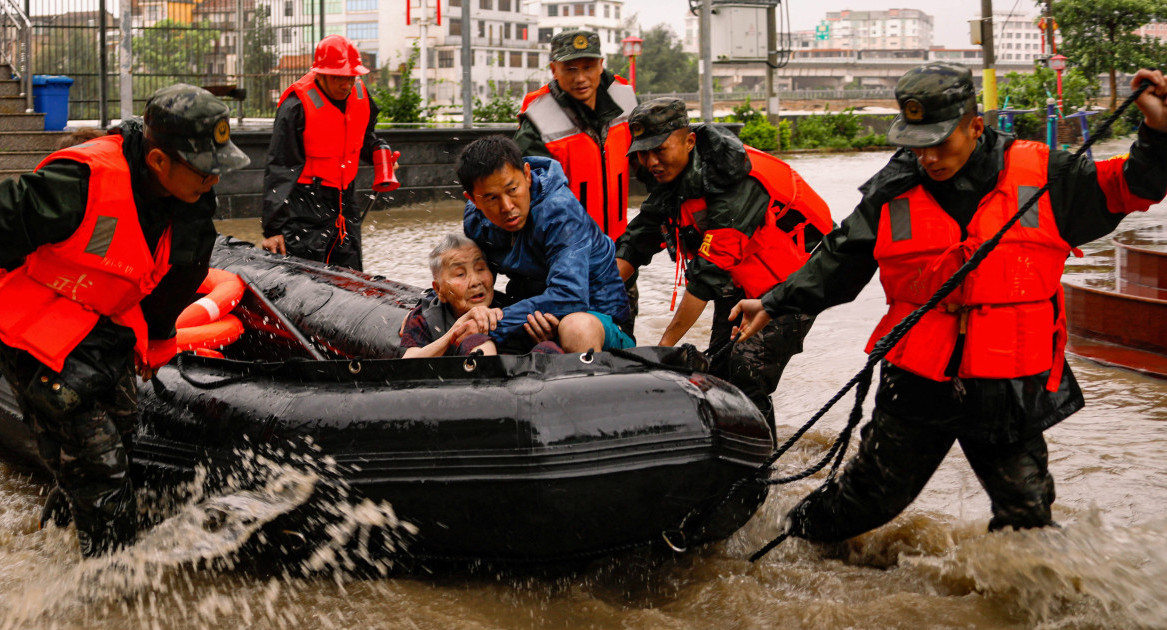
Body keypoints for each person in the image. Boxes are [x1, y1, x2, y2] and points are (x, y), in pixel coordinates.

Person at [731, 64, 1167, 544]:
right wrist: (774, 301)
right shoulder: (891, 189)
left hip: (1009, 379)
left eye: (941, 142)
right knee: (868, 497)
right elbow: (839, 258)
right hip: (919, 377)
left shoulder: (1045, 173)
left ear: (975, 126)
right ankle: (789, 543)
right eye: (918, 144)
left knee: (1027, 514)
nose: (929, 157)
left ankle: (1026, 599)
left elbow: (1133, 185)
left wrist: (1158, 130)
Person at [0, 84, 250, 557]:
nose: (213, 180)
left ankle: (58, 535)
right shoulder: (80, 182)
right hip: (36, 334)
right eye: (203, 169)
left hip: (103, 325)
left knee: (123, 427)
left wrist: (158, 340)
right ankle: (109, 586)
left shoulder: (194, 197)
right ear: (158, 161)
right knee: (100, 465)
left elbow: (182, 274)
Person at [613, 98, 833, 435]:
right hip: (740, 283)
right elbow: (635, 242)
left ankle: (762, 467)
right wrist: (591, 297)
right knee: (716, 372)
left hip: (793, 286)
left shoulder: (735, 183)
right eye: (642, 152)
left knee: (747, 374)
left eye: (659, 149)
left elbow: (704, 279)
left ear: (688, 141)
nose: (651, 161)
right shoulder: (672, 179)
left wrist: (663, 347)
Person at [458, 135, 635, 354]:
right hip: (533, 314)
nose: (507, 207)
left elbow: (570, 297)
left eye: (513, 190)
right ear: (473, 200)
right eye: (491, 198)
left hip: (595, 318)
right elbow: (478, 284)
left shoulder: (560, 213)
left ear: (526, 175)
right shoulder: (475, 220)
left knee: (576, 327)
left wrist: (495, 324)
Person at [261, 34, 398, 271]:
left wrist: (378, 153)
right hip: (304, 203)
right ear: (320, 74)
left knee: (350, 271)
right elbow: (280, 168)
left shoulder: (361, 96)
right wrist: (273, 229)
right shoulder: (295, 107)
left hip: (345, 199)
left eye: (351, 77)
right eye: (338, 78)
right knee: (307, 275)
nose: (346, 85)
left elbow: (364, 139)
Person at [516, 29, 637, 242]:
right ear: (554, 69)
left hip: (619, 248)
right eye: (570, 69)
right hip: (568, 253)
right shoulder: (537, 121)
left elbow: (652, 167)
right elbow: (535, 202)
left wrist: (634, 249)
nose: (580, 78)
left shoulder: (625, 100)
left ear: (601, 65)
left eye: (588, 67)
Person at [399, 233, 565, 358]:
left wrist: (545, 337)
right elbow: (408, 364)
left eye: (480, 269)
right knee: (476, 341)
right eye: (460, 274)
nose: (475, 281)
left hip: (526, 387)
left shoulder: (512, 307)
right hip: (472, 391)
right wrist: (455, 332)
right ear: (439, 289)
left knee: (548, 348)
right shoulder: (426, 317)